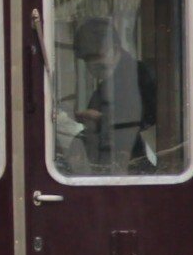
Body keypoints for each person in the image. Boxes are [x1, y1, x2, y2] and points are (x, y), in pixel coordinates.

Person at [58, 16, 156, 174]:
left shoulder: (141, 78)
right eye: (87, 59)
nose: (93, 64)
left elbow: (145, 127)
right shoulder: (106, 85)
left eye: (98, 55)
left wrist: (100, 120)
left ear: (115, 47)